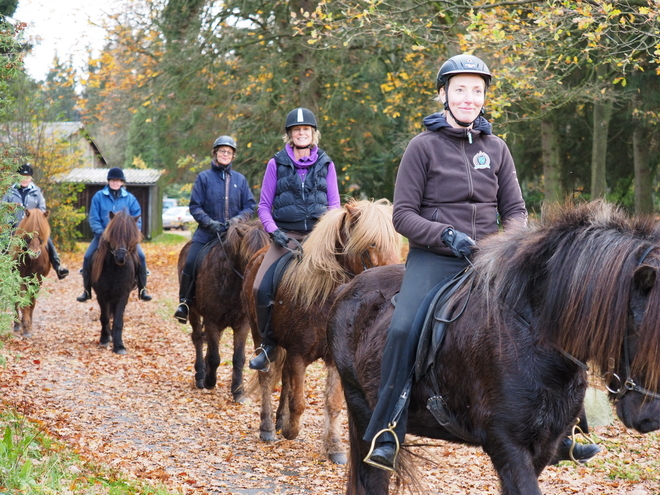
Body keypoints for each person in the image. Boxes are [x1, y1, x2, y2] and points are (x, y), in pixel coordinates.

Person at [362, 54, 599, 471]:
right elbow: (402, 215)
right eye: (460, 90)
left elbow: (516, 209)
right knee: (402, 328)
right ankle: (388, 428)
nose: (469, 98)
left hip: (491, 259)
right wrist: (445, 235)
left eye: (477, 90)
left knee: (553, 315)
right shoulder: (422, 147)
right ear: (443, 94)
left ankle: (569, 431)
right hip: (436, 258)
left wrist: (510, 244)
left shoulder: (497, 147)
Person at [248, 107, 341, 372]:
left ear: (313, 134)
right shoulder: (275, 163)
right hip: (286, 236)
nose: (302, 133)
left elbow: (334, 204)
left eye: (306, 130)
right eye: (297, 130)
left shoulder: (327, 163)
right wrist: (274, 232)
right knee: (261, 287)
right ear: (290, 135)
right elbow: (264, 206)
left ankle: (341, 339)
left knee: (347, 283)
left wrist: (329, 234)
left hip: (319, 237)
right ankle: (268, 345)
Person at [173, 135, 256, 323]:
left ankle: (250, 305)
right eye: (222, 151)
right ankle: (184, 303)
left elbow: (250, 205)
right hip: (207, 233)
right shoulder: (203, 178)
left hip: (234, 235)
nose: (225, 154)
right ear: (215, 153)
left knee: (252, 261)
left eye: (229, 152)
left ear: (233, 156)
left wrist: (236, 220)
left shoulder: (240, 180)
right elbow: (195, 206)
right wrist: (209, 222)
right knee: (191, 262)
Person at [77, 167, 152, 302]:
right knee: (87, 257)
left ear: (122, 182)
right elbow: (93, 218)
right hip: (103, 237)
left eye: (118, 181)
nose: (115, 183)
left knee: (141, 256)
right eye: (112, 180)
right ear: (108, 181)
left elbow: (137, 219)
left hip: (125, 239)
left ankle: (142, 289)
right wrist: (101, 233)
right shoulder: (99, 197)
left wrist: (132, 236)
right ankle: (86, 290)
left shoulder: (130, 198)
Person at [1, 163, 70, 280]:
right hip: (14, 228)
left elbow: (42, 209)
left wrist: (34, 216)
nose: (25, 179)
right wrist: (9, 222)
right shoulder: (10, 192)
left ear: (31, 178)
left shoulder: (37, 192)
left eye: (27, 177)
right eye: (22, 176)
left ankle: (57, 266)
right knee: (3, 242)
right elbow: (3, 208)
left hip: (33, 229)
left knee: (48, 241)